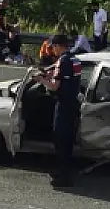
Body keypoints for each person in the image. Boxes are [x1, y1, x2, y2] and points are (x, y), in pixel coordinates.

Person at [34, 34, 82, 187]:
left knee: (60, 140)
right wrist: (50, 75)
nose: (52, 50)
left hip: (63, 105)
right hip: (73, 104)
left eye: (52, 47)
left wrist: (42, 80)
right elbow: (66, 79)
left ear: (58, 46)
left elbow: (55, 86)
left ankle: (63, 177)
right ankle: (63, 171)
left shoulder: (63, 61)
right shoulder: (75, 59)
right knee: (67, 141)